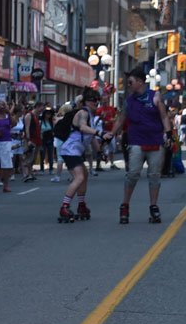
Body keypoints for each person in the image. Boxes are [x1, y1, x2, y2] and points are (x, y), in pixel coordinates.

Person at [110, 68, 171, 225]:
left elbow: (164, 116)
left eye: (130, 82)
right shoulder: (129, 101)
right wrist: (111, 134)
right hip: (136, 141)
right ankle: (125, 205)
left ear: (140, 82)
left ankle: (153, 206)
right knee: (133, 174)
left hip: (156, 141)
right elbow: (120, 119)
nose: (128, 85)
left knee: (154, 175)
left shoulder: (155, 96)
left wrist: (169, 133)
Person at [57, 88, 100, 223]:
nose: (96, 103)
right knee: (79, 177)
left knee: (84, 175)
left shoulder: (90, 116)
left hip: (75, 151)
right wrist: (100, 133)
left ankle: (81, 205)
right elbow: (82, 127)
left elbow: (91, 137)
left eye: (97, 100)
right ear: (85, 102)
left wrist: (100, 151)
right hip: (70, 150)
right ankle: (64, 206)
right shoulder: (83, 113)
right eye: (93, 100)